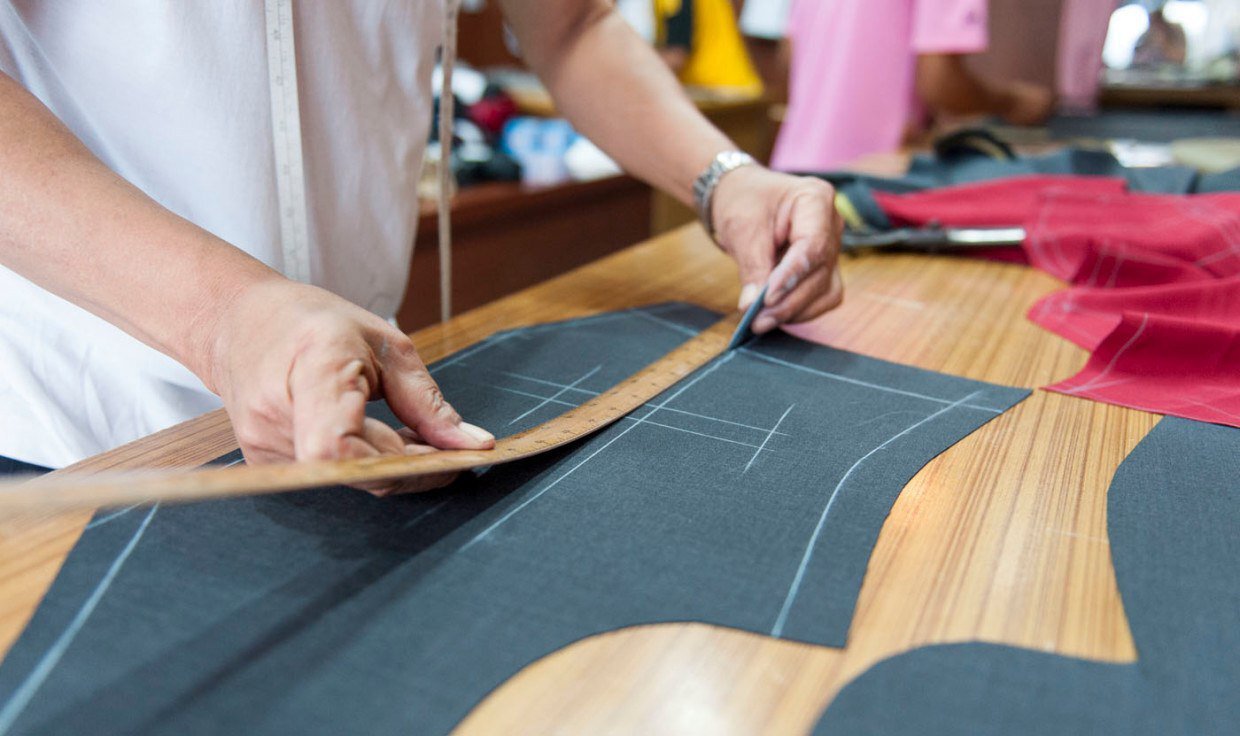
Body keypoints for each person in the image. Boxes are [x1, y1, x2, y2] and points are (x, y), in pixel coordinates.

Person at [0, 1, 843, 489]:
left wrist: (723, 177)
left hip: (364, 408)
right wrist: (222, 317)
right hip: (78, 430)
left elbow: (571, 24)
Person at [770, 0, 1056, 172]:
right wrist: (1012, 102)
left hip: (792, 175)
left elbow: (788, 60)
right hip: (868, 183)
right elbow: (940, 82)